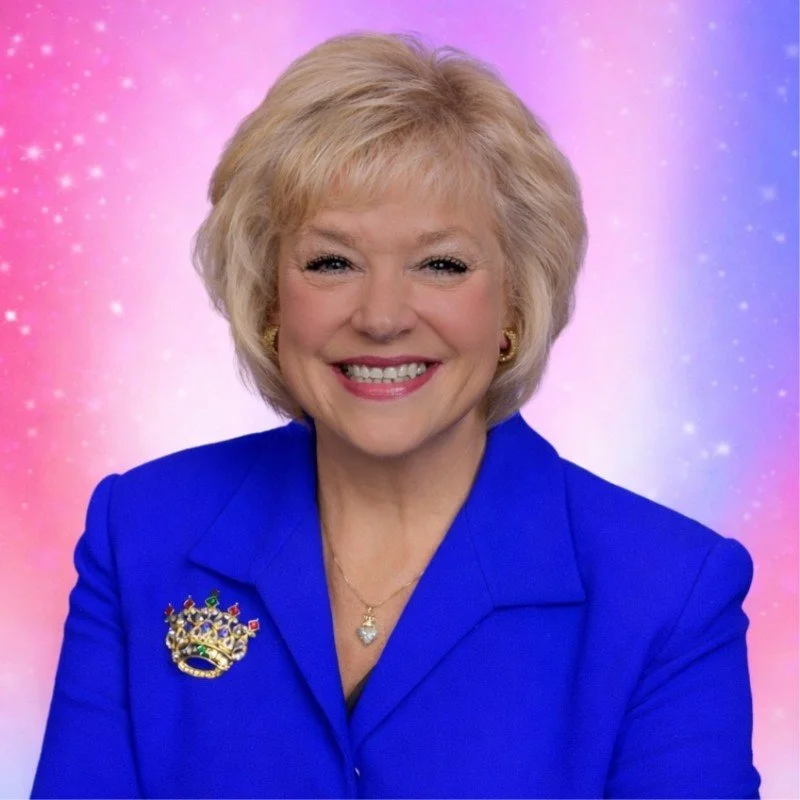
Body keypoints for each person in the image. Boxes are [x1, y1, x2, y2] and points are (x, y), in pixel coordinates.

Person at [31, 31, 761, 799]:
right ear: (270, 298)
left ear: (514, 302)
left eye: (441, 264)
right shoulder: (142, 532)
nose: (382, 317)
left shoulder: (669, 593)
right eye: (331, 262)